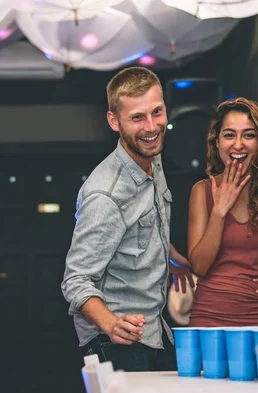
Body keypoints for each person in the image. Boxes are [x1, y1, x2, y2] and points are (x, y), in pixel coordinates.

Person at [61, 66, 192, 372]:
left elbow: (141, 228)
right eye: (137, 117)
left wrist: (171, 257)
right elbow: (76, 279)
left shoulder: (152, 158)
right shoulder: (105, 195)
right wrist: (110, 324)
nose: (151, 127)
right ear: (114, 121)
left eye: (157, 112)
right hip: (116, 341)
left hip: (154, 331)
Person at [186, 98, 258, 327]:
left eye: (248, 135)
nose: (238, 145)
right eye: (229, 135)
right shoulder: (202, 191)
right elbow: (199, 266)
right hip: (210, 318)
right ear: (216, 143)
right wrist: (220, 210)